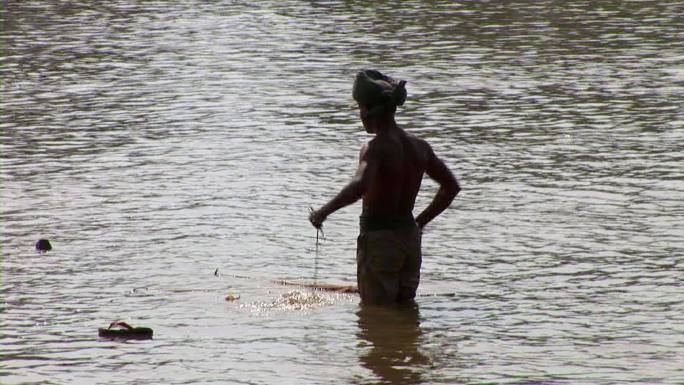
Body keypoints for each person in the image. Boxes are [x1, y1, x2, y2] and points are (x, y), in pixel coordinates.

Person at [309, 69, 460, 305]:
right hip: (410, 241)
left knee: (375, 314)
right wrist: (420, 222)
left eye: (360, 108)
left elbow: (359, 186)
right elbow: (450, 187)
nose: (360, 114)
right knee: (405, 310)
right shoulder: (420, 147)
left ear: (368, 110)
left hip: (380, 242)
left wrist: (322, 212)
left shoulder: (375, 148)